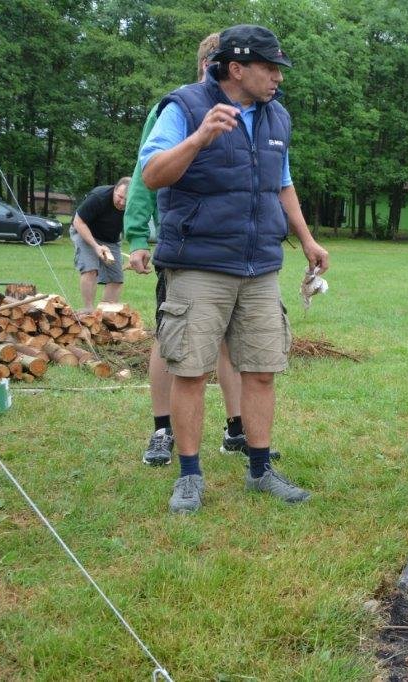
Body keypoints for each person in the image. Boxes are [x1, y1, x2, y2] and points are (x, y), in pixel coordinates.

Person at [139, 24, 329, 513]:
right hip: (199, 264)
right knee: (191, 372)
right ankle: (189, 475)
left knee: (262, 370)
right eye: (270, 68)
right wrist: (200, 138)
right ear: (237, 68)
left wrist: (307, 239)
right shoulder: (183, 107)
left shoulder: (276, 116)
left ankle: (260, 470)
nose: (278, 78)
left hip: (260, 265)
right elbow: (152, 174)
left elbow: (281, 183)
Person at [125, 33, 251, 468]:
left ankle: (237, 429)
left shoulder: (249, 110)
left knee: (231, 342)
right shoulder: (175, 107)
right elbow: (145, 173)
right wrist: (136, 236)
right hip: (185, 248)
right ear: (207, 65)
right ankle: (163, 429)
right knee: (171, 338)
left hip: (233, 251)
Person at [71, 177, 130, 312]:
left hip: (110, 239)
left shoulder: (135, 203)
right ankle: (89, 310)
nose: (122, 203)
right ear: (114, 189)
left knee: (116, 278)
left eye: (126, 200)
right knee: (90, 268)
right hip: (85, 231)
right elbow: (78, 222)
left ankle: (106, 313)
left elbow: (135, 228)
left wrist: (135, 251)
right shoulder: (99, 197)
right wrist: (96, 246)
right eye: (120, 197)